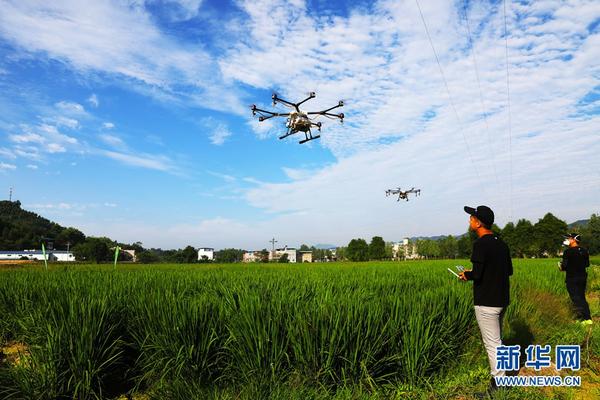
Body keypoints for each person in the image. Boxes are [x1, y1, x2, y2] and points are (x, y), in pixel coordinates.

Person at [458, 205, 513, 393]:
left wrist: (467, 275)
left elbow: (478, 274)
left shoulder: (480, 245)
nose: (469, 220)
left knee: (492, 344)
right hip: (502, 300)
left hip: (486, 302)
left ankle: (499, 386)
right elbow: (509, 271)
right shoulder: (502, 244)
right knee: (498, 341)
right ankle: (502, 378)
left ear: (478, 222)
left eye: (472, 218)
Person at [559, 233, 592, 324]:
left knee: (575, 298)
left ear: (574, 240)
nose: (567, 240)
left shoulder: (567, 252)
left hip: (572, 278)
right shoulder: (584, 251)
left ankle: (585, 319)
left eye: (569, 238)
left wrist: (561, 267)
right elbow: (587, 264)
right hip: (583, 277)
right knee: (581, 297)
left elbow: (564, 266)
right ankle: (586, 318)